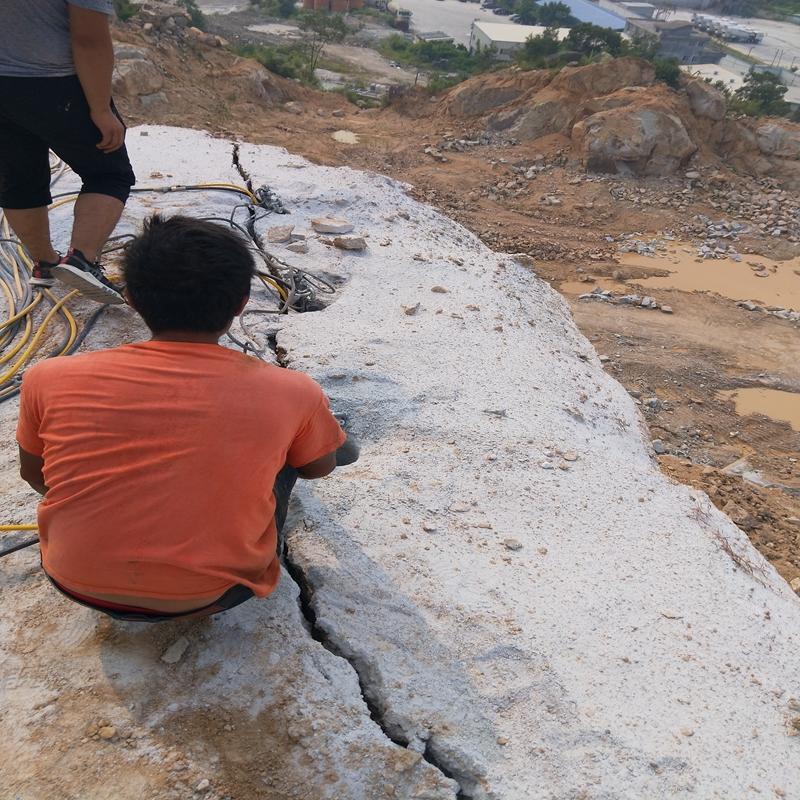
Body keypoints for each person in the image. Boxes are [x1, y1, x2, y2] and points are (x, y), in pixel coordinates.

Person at [16, 215, 356, 622]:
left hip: (74, 580)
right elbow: (318, 470)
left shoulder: (48, 377)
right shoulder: (291, 390)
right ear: (241, 303)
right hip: (211, 594)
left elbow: (37, 476)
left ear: (132, 298)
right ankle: (334, 433)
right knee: (290, 452)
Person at [0, 0, 135, 304]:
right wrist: (100, 110)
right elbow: (88, 38)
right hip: (53, 81)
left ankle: (45, 264)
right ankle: (81, 260)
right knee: (109, 174)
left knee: (20, 179)